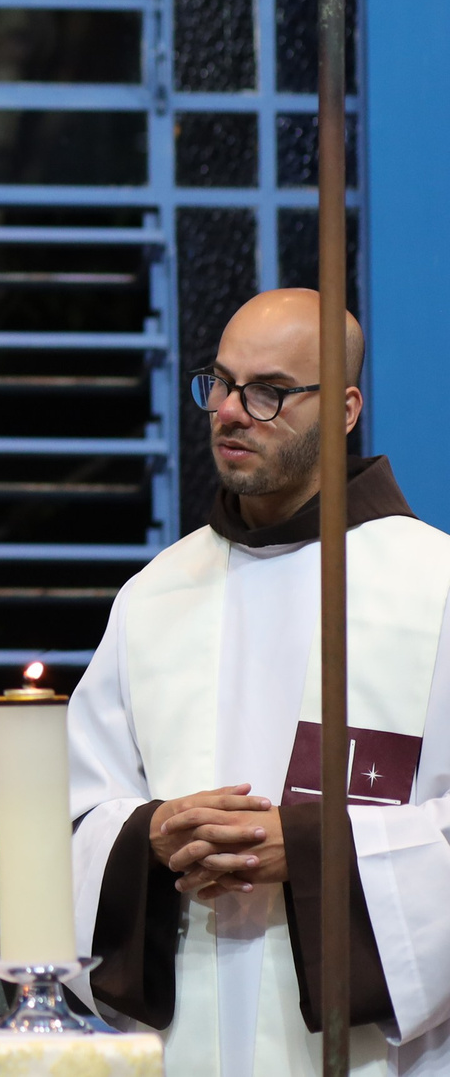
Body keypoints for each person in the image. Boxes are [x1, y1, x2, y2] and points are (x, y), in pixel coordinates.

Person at [71, 289, 450, 1076]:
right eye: (219, 380)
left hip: (382, 1051)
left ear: (345, 408)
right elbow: (78, 810)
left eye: (269, 391)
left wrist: (318, 849)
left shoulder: (435, 585)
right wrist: (154, 835)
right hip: (190, 1031)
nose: (230, 411)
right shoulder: (156, 594)